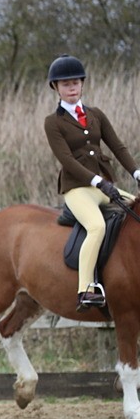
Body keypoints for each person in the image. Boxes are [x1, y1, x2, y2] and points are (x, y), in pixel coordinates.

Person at [44, 54, 139, 309]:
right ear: (56, 88)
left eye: (75, 82)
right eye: (65, 84)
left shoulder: (96, 114)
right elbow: (66, 159)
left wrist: (136, 173)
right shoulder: (53, 123)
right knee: (96, 226)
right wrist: (97, 181)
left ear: (82, 84)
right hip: (78, 189)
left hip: (104, 186)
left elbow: (117, 146)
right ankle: (86, 289)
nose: (71, 87)